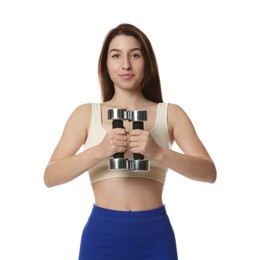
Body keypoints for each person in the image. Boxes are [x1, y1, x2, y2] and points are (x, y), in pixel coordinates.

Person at [44, 23, 217, 260]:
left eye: (135, 55)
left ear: (147, 61)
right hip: (102, 235)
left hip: (155, 236)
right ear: (105, 64)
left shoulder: (171, 113)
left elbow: (209, 172)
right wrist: (100, 150)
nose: (126, 64)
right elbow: (50, 176)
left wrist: (158, 153)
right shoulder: (85, 114)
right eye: (116, 56)